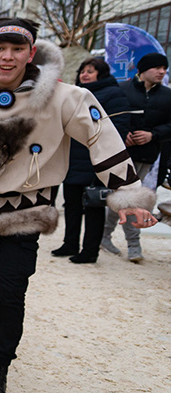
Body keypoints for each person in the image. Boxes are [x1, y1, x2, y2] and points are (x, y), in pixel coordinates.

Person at [0, 17, 156, 393]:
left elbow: (101, 135)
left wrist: (127, 193)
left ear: (31, 53)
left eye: (17, 49)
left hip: (28, 207)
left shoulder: (64, 97)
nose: (7, 57)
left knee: (14, 290)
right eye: (0, 48)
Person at [52, 58, 130, 263]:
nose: (85, 75)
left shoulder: (114, 94)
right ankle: (70, 243)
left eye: (91, 71)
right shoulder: (74, 93)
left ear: (101, 74)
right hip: (72, 158)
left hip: (96, 160)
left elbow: (119, 128)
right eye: (83, 71)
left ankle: (90, 250)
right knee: (71, 204)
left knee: (94, 205)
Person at [100, 52, 171, 262]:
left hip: (151, 158)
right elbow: (109, 118)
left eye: (164, 68)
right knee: (126, 198)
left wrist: (153, 135)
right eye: (157, 67)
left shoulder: (168, 96)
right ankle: (132, 245)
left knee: (130, 200)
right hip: (120, 156)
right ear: (142, 69)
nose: (162, 72)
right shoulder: (121, 91)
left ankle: (107, 237)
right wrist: (124, 134)